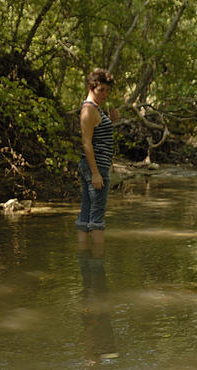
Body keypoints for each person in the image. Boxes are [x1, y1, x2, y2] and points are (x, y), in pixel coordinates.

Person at [77, 68, 119, 250]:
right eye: (101, 90)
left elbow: (99, 136)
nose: (105, 94)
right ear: (90, 87)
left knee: (87, 212)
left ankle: (85, 259)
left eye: (107, 91)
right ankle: (97, 263)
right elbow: (86, 142)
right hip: (95, 167)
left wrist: (111, 121)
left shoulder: (95, 109)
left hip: (96, 166)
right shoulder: (88, 109)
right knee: (97, 216)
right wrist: (95, 173)